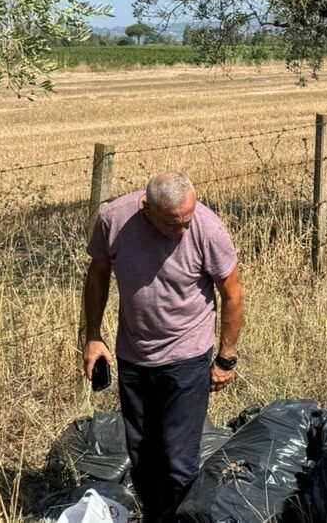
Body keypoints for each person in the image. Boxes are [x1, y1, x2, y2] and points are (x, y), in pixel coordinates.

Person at [81, 172, 245, 522]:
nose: (183, 231)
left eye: (188, 220)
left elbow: (232, 292)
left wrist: (226, 358)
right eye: (173, 224)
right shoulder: (115, 219)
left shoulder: (208, 229)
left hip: (187, 356)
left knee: (178, 459)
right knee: (142, 453)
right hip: (133, 356)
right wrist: (93, 336)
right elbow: (97, 273)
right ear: (146, 208)